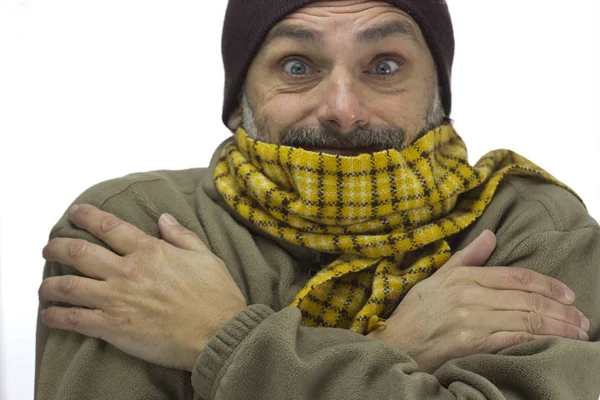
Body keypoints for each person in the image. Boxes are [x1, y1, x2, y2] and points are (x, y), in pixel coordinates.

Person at [35, 0, 600, 399]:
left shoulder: (529, 224)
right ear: (239, 103)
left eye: (384, 66)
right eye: (297, 66)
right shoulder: (137, 229)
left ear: (437, 96)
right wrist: (393, 349)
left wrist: (220, 338)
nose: (343, 108)